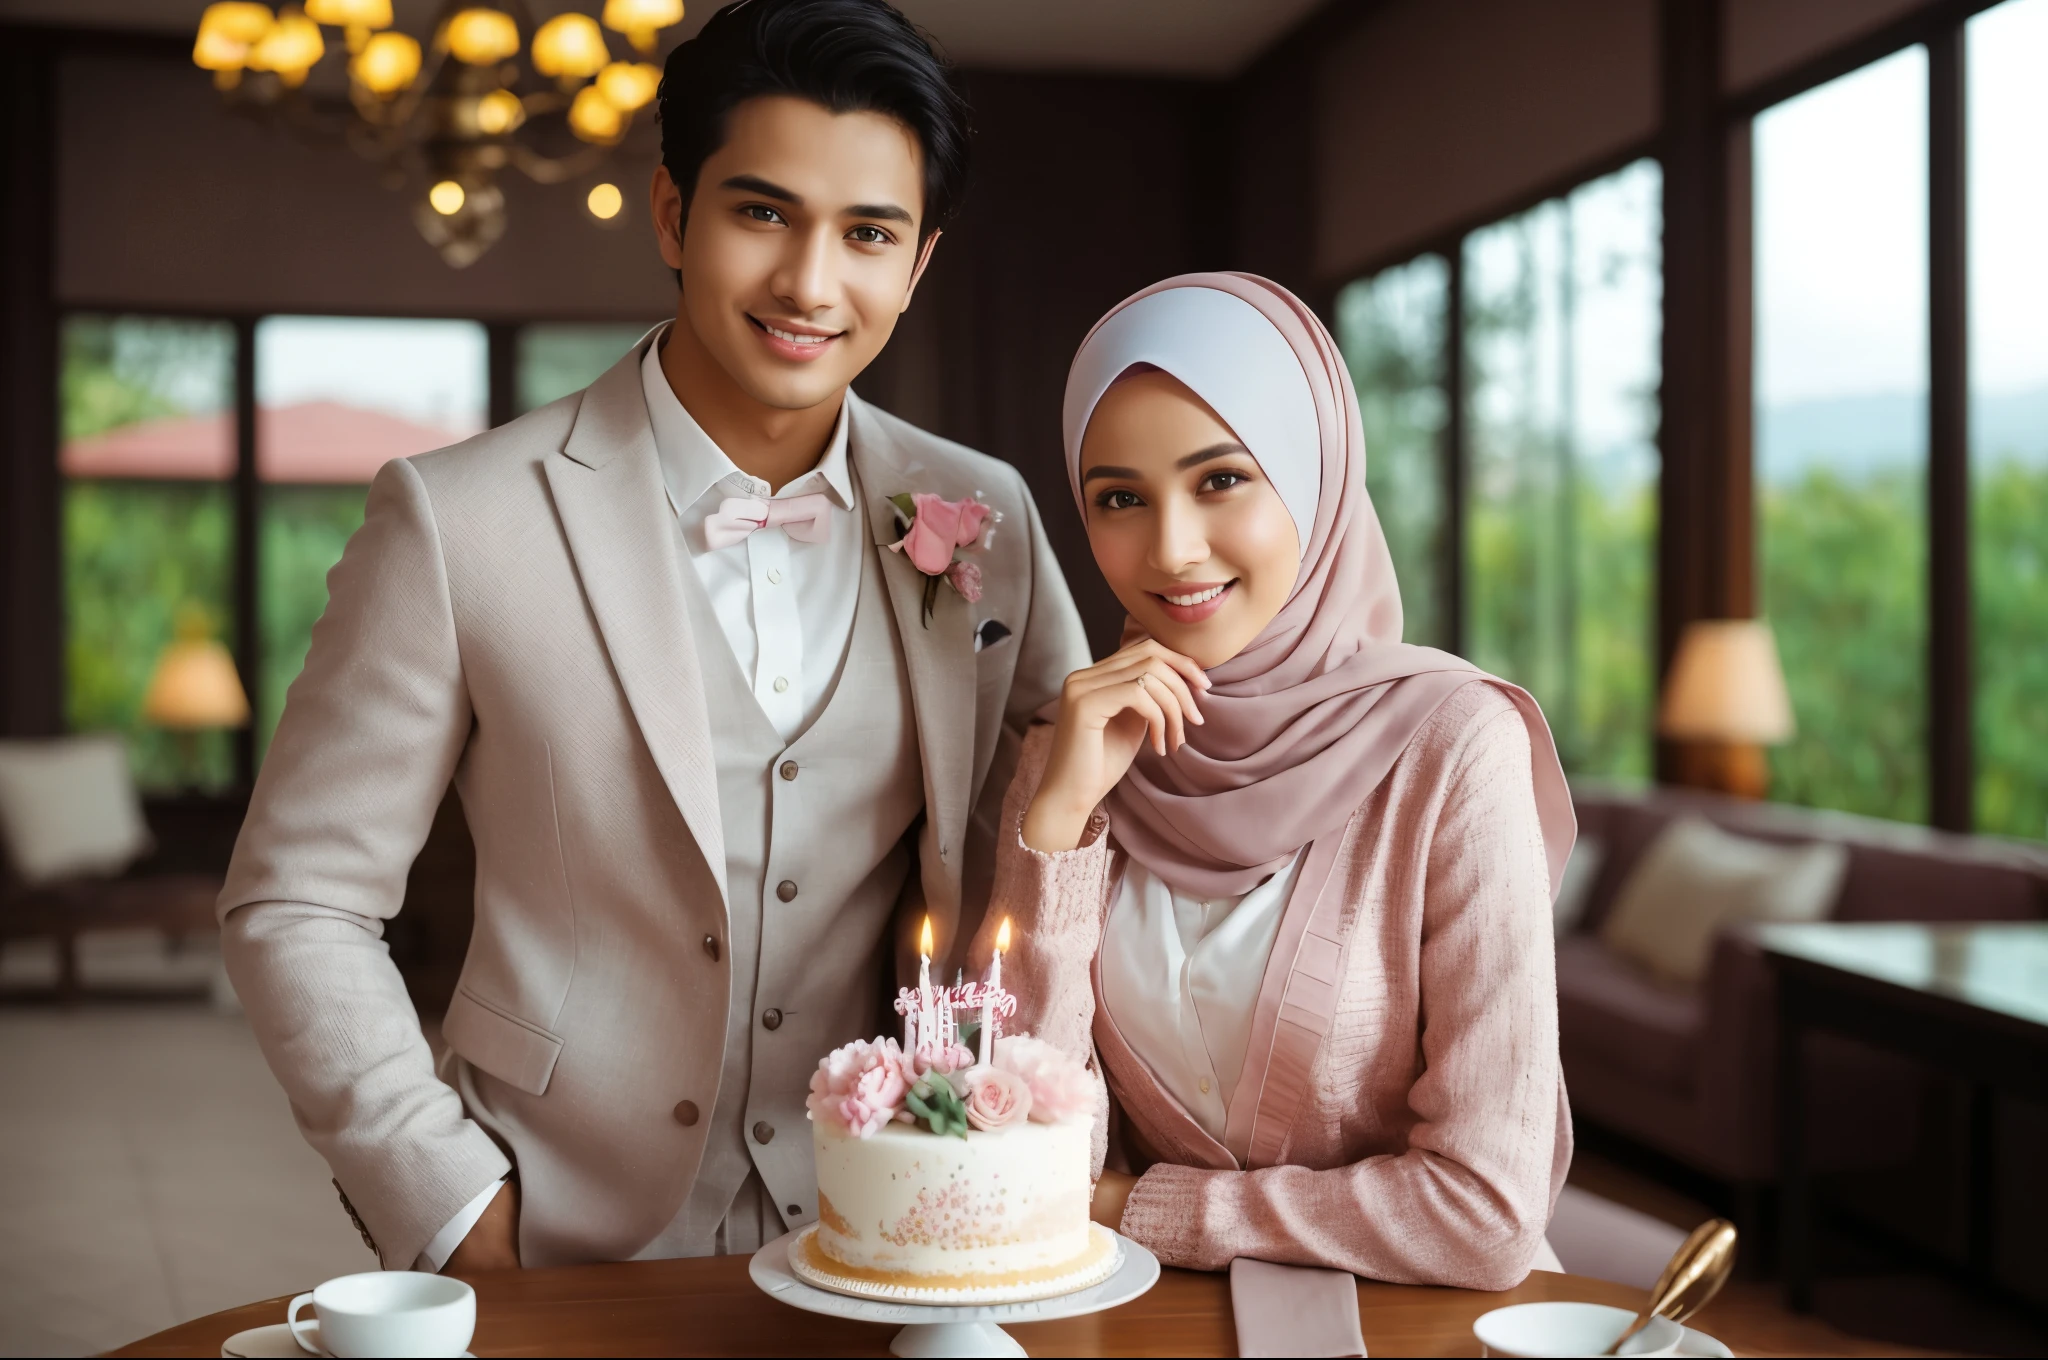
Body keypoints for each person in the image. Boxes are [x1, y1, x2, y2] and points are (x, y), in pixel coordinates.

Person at [219, 0, 1087, 1274]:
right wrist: (453, 1204)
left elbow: (1071, 833)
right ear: (675, 216)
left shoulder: (980, 516)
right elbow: (298, 896)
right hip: (554, 1228)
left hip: (890, 1222)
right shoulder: (459, 518)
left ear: (917, 263)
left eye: (866, 234)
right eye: (762, 213)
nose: (808, 282)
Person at [975, 272, 1577, 1289]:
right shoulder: (1072, 749)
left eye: (1220, 480)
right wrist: (1059, 824)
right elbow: (1008, 1153)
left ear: (1312, 475)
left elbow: (1482, 1212)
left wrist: (1149, 1204)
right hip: (1135, 1327)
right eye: (1119, 498)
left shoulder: (1451, 747)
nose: (1169, 550)